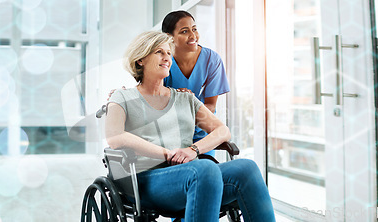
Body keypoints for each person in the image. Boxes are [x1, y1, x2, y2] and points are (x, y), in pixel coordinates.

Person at [105, 31, 275, 222]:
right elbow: (114, 136)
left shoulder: (185, 98)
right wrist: (166, 154)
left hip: (191, 175)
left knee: (246, 168)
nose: (167, 58)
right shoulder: (123, 97)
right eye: (159, 52)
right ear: (140, 60)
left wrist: (193, 150)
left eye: (168, 53)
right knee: (204, 169)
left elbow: (222, 131)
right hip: (145, 180)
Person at [162, 11, 230, 155]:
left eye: (194, 29)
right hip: (169, 133)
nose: (193, 36)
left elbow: (211, 105)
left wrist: (191, 109)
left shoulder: (212, 60)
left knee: (208, 169)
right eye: (184, 31)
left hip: (201, 131)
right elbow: (154, 101)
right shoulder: (162, 61)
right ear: (170, 37)